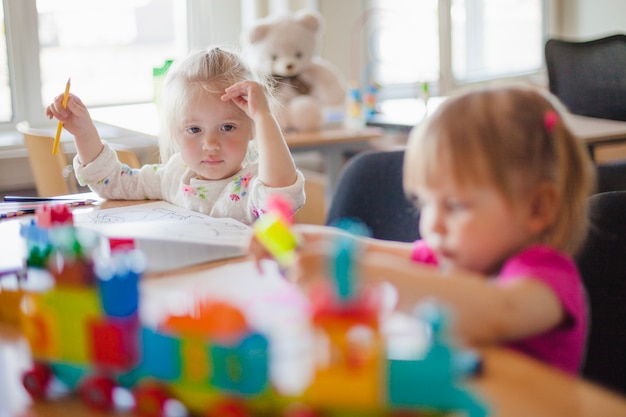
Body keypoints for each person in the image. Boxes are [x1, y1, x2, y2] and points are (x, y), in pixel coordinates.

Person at [251, 84, 595, 375]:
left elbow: (497, 312)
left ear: (537, 208)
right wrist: (292, 239)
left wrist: (356, 274)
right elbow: (362, 247)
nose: (432, 223)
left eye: (455, 205)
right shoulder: (456, 258)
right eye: (426, 203)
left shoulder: (547, 278)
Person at [45, 47, 305, 225]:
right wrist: (83, 131)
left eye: (227, 127)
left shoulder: (256, 182)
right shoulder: (173, 175)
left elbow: (280, 198)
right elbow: (111, 182)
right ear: (174, 133)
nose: (211, 144)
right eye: (194, 130)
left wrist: (264, 116)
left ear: (251, 129)